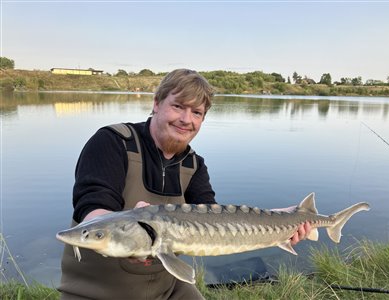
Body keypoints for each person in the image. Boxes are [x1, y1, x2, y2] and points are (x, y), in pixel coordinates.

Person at [58, 69, 311, 300]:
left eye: (197, 112)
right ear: (156, 104)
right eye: (178, 106)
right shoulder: (113, 142)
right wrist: (116, 233)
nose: (186, 119)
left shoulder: (194, 165)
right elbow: (94, 203)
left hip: (165, 287)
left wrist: (285, 220)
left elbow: (218, 221)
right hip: (96, 292)